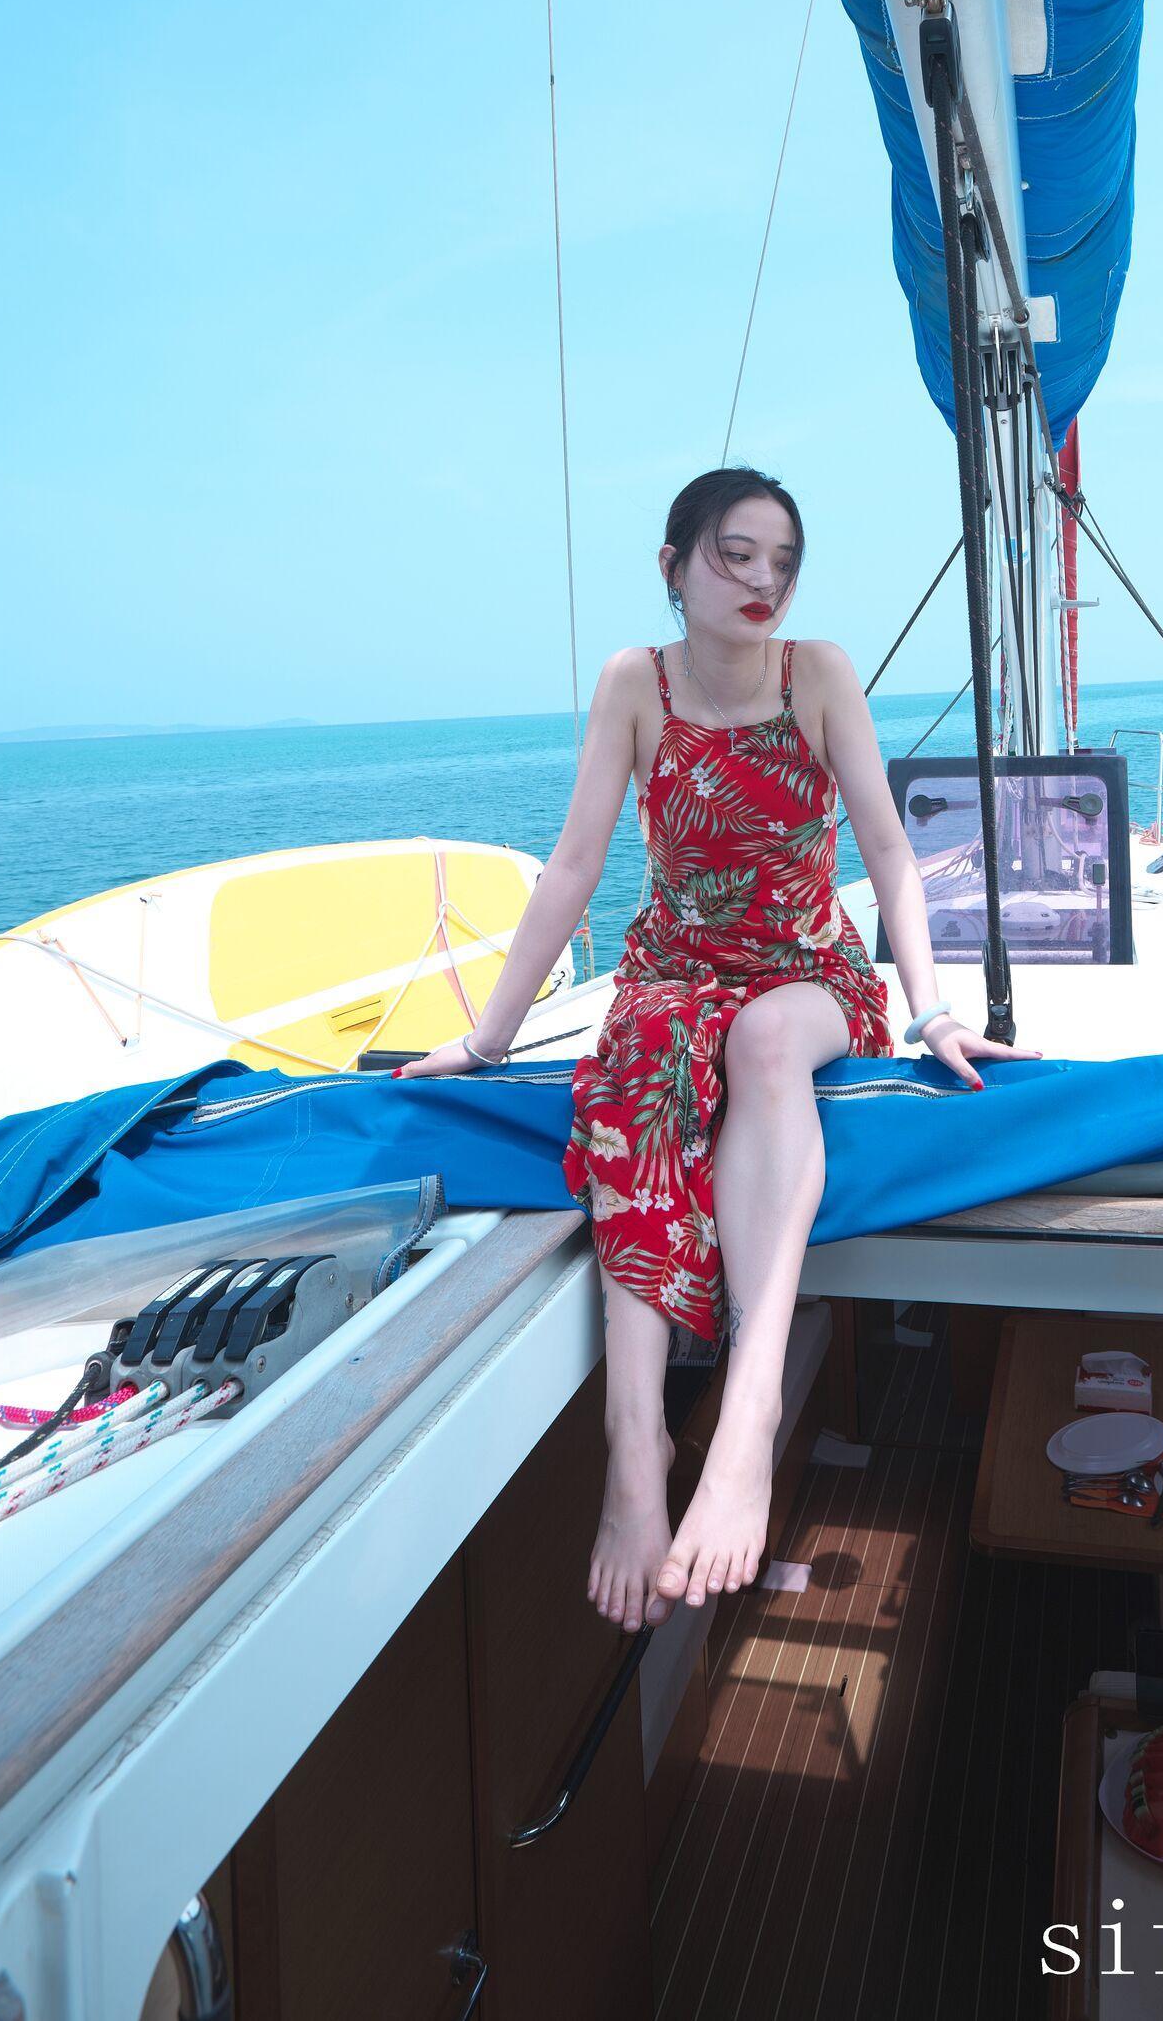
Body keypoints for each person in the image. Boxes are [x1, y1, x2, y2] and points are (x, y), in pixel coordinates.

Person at [399, 465, 1038, 1633]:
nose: (762, 580)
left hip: (808, 972)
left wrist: (932, 1009)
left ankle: (749, 1413)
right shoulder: (634, 685)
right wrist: (486, 1042)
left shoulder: (818, 675)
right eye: (735, 555)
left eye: (782, 560)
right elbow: (574, 867)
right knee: (638, 1061)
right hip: (673, 969)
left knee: (764, 1038)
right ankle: (635, 1447)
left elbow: (890, 854)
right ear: (674, 566)